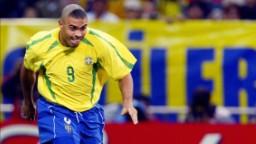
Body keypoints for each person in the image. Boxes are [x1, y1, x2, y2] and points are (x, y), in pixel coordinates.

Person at [20, 4, 138, 144]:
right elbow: (27, 70)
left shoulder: (99, 43)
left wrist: (128, 102)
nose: (78, 34)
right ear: (60, 24)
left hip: (90, 112)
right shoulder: (41, 45)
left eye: (83, 28)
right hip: (56, 109)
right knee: (65, 140)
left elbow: (123, 74)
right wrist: (28, 102)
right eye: (73, 28)